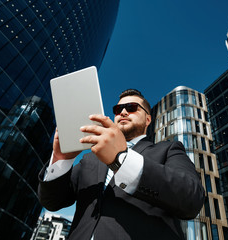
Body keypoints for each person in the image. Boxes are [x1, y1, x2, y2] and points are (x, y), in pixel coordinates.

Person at [38, 89, 205, 240]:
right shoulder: (90, 158)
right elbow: (52, 202)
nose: (123, 112)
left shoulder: (168, 149)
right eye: (118, 110)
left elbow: (192, 199)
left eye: (132, 107)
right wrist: (61, 158)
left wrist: (121, 160)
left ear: (148, 119)